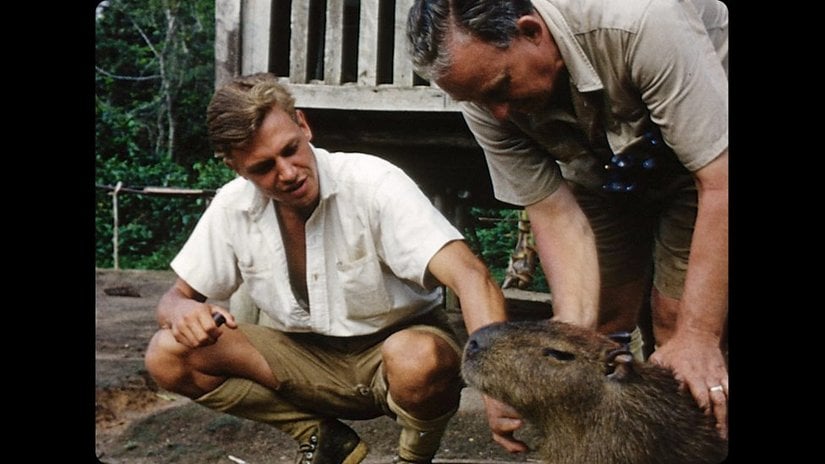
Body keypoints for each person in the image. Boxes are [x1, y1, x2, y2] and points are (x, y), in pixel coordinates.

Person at [406, 0, 729, 453]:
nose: (497, 113)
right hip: (602, 166)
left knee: (678, 330)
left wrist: (699, 336)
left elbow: (721, 182)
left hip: (708, 160)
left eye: (501, 87)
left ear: (532, 30)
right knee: (599, 327)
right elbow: (554, 211)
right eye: (479, 99)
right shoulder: (483, 95)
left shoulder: (641, 20)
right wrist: (554, 358)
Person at [144, 72, 509, 464]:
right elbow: (175, 297)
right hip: (300, 358)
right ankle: (322, 437)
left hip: (392, 356)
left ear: (303, 124)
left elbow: (472, 276)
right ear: (236, 167)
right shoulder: (233, 206)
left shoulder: (373, 183)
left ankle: (414, 458)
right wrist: (182, 311)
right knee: (167, 353)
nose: (287, 173)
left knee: (418, 356)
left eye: (290, 149)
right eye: (263, 167)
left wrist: (498, 385)